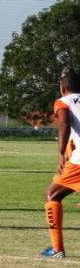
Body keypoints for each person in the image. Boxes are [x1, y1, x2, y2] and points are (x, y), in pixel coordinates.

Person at [39, 68, 80, 258]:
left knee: (51, 194)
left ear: (63, 88)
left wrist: (61, 153)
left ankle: (57, 249)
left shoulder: (63, 102)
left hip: (78, 161)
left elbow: (64, 124)